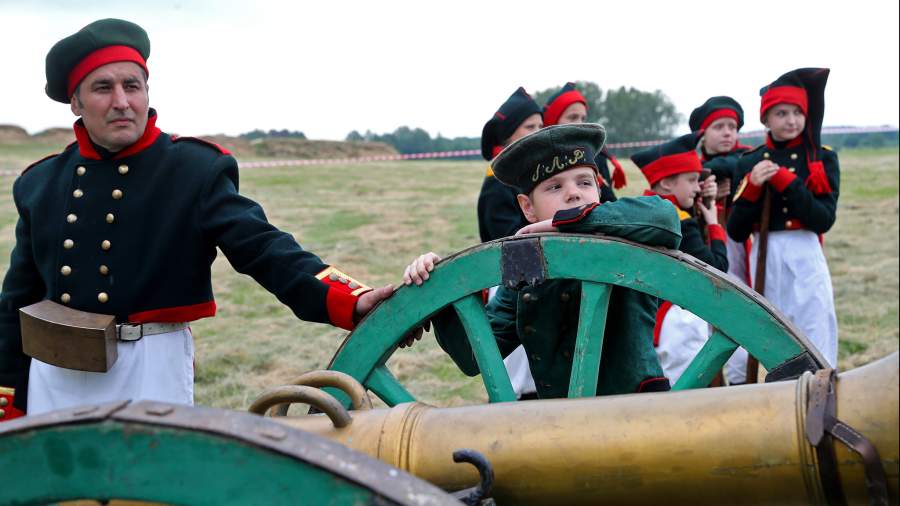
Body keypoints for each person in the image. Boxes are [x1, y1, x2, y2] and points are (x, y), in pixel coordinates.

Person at [0, 19, 392, 417]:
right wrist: (9, 393)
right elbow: (16, 298)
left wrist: (348, 300)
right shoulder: (41, 182)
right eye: (103, 88)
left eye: (132, 86)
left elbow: (262, 248)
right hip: (54, 367)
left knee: (153, 477)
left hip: (149, 364)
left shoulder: (193, 169)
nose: (121, 101)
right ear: (76, 103)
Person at [405, 124, 682, 398]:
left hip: (639, 415)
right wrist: (439, 287)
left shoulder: (626, 236)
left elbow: (666, 217)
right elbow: (473, 356)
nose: (574, 193)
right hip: (559, 425)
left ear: (598, 189)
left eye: (584, 182)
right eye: (554, 187)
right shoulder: (526, 267)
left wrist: (566, 221)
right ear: (527, 207)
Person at [727, 68, 839, 368]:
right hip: (766, 252)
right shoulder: (749, 161)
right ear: (766, 119)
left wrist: (789, 184)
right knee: (773, 330)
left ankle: (821, 389)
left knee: (814, 323)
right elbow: (736, 230)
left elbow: (823, 219)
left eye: (797, 113)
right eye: (781, 113)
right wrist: (751, 189)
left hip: (805, 252)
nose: (791, 121)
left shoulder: (821, 159)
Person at [631, 133, 727, 384]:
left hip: (645, 319)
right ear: (666, 184)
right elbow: (716, 269)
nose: (697, 187)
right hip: (678, 323)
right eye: (692, 180)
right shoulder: (679, 221)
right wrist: (714, 224)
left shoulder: (642, 210)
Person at [477, 87, 543, 243]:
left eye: (541, 126)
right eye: (530, 127)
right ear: (508, 135)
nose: (538, 132)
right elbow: (510, 243)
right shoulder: (497, 182)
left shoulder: (531, 171)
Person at [542, 82, 627, 202]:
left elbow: (609, 202)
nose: (580, 124)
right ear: (552, 121)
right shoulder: (540, 158)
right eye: (573, 117)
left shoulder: (596, 155)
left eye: (583, 118)